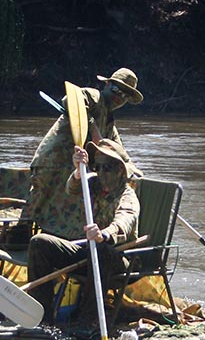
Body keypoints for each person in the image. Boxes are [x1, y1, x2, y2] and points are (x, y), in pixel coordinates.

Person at [27, 139, 140, 328]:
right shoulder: (94, 184)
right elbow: (72, 188)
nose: (101, 173)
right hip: (87, 251)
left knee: (102, 249)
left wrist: (103, 234)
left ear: (120, 171)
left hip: (116, 258)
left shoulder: (128, 196)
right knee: (39, 242)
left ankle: (88, 322)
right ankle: (43, 318)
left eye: (107, 168)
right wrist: (79, 171)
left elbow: (124, 222)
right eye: (98, 167)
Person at [27, 68, 144, 239]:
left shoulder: (109, 121)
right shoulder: (94, 97)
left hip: (72, 168)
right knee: (38, 208)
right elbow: (70, 101)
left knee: (61, 208)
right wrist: (92, 126)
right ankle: (26, 239)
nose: (120, 97)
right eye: (117, 90)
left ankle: (66, 241)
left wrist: (136, 174)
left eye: (126, 95)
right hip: (52, 164)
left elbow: (120, 153)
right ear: (107, 84)